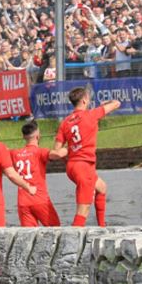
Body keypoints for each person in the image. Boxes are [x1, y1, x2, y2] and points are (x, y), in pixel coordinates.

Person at [54, 87, 120, 227]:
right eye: (88, 98)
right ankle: (74, 235)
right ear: (84, 100)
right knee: (83, 210)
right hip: (84, 166)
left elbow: (57, 151)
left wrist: (71, 152)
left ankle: (102, 226)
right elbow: (116, 103)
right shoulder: (91, 114)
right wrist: (106, 103)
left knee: (101, 187)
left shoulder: (65, 122)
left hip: (72, 166)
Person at [11, 122, 66, 227]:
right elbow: (57, 154)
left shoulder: (15, 153)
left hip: (23, 203)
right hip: (40, 199)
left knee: (29, 234)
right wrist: (70, 148)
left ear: (23, 136)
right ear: (38, 136)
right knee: (56, 230)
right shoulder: (39, 152)